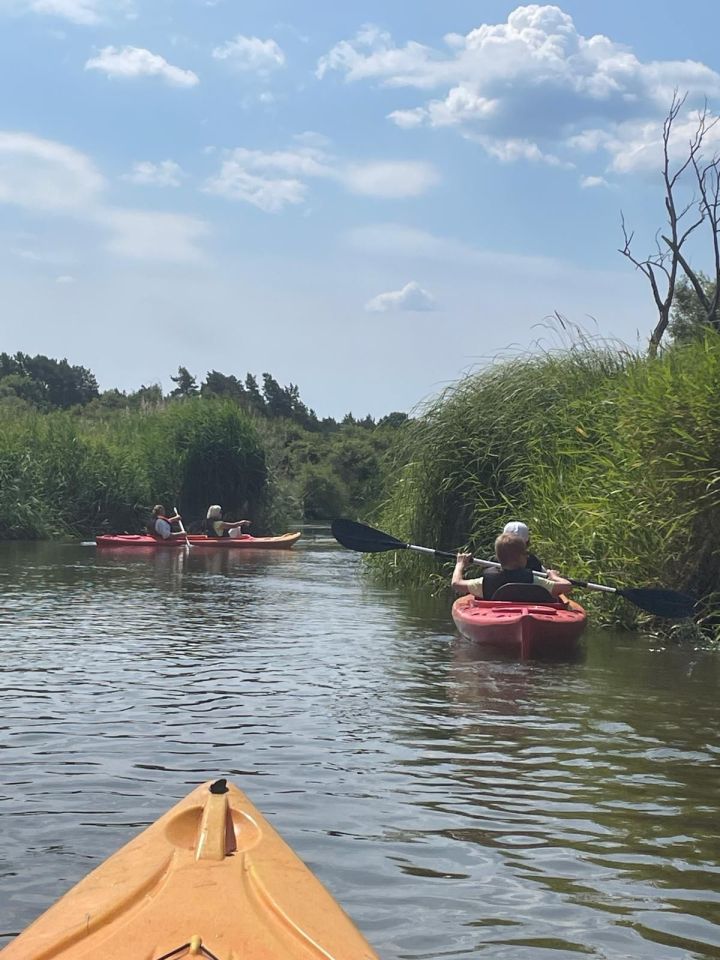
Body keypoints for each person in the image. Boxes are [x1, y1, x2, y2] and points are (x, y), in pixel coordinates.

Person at [453, 532, 572, 601]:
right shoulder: (534, 581)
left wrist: (460, 565)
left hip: (497, 617)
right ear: (522, 557)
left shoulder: (485, 582)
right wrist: (553, 576)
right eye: (526, 554)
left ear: (498, 557)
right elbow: (567, 586)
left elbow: (456, 584)